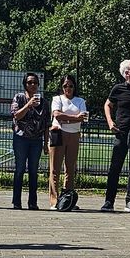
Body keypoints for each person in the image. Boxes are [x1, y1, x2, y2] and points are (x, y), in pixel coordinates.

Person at [101, 59, 130, 213]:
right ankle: (109, 201)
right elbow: (108, 104)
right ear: (127, 73)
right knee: (115, 168)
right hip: (121, 133)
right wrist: (110, 121)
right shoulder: (118, 89)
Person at [8, 73, 48, 210]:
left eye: (35, 83)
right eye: (30, 82)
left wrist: (46, 143)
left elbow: (46, 124)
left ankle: (32, 202)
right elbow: (16, 116)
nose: (33, 85)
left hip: (36, 140)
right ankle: (16, 201)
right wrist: (29, 105)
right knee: (19, 170)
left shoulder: (43, 102)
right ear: (25, 84)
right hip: (21, 138)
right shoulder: (19, 98)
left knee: (33, 171)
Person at [48, 75, 87, 208]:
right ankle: (54, 200)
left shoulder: (80, 100)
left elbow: (83, 117)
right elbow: (57, 115)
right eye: (65, 86)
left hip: (74, 135)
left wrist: (67, 119)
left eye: (70, 85)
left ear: (74, 86)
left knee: (70, 168)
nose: (68, 88)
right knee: (55, 169)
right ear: (61, 87)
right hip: (58, 134)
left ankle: (67, 199)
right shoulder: (57, 99)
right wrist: (75, 117)